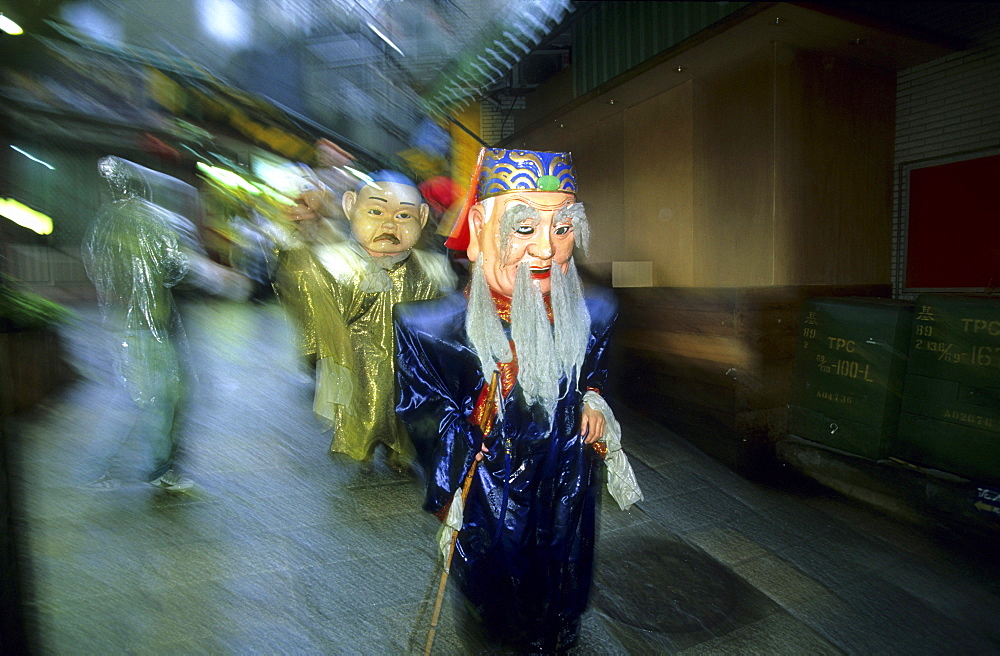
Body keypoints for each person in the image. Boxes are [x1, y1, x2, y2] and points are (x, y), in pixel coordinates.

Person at [394, 148, 641, 651]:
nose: (547, 251)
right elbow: (421, 404)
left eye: (563, 228)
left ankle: (560, 630)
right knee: (498, 574)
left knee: (566, 559)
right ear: (481, 227)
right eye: (523, 229)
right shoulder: (430, 328)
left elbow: (595, 368)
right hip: (493, 476)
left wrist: (593, 397)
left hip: (566, 464)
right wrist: (460, 441)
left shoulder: (594, 309)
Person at [82, 156, 247, 492]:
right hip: (153, 322)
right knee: (162, 395)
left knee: (143, 395)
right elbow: (176, 265)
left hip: (134, 321)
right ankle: (156, 467)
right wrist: (221, 279)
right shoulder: (145, 219)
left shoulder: (108, 220)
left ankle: (130, 465)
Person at [275, 169, 456, 472]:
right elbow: (308, 287)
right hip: (360, 350)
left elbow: (441, 314)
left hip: (406, 356)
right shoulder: (338, 263)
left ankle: (400, 451)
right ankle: (364, 449)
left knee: (401, 402)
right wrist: (306, 232)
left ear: (422, 218)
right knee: (366, 401)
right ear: (351, 208)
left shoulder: (430, 268)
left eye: (403, 216)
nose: (389, 224)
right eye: (375, 211)